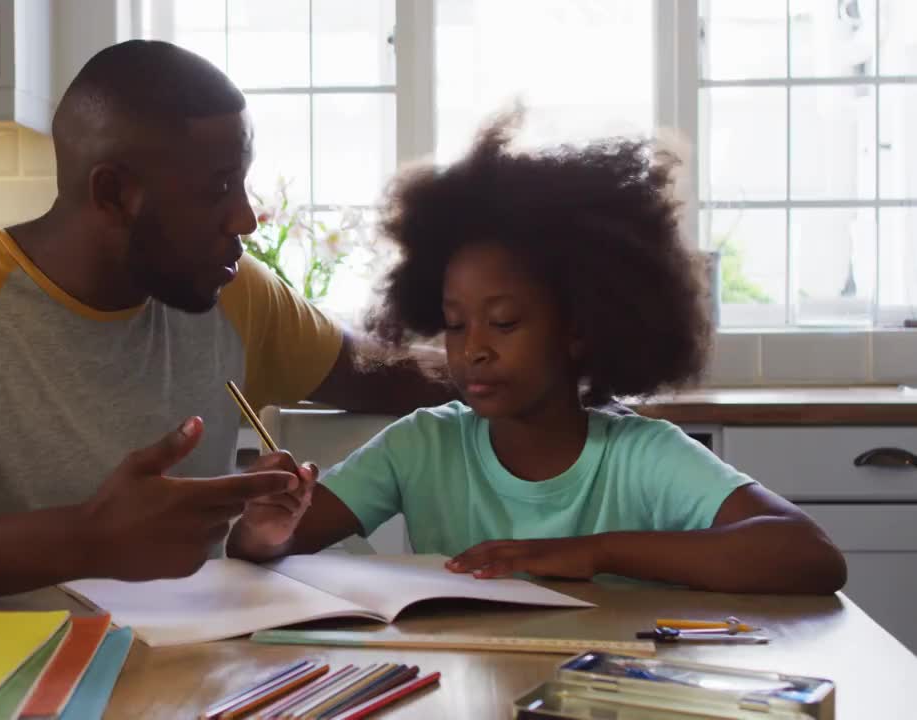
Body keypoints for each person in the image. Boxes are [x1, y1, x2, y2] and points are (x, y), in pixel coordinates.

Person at [0, 40, 453, 605]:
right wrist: (84, 539)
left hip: (182, 683)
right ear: (114, 194)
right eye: (217, 189)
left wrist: (538, 360)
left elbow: (375, 374)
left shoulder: (239, 295)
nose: (246, 216)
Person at [227, 110, 848, 595]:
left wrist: (596, 552)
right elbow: (269, 546)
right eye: (453, 323)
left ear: (580, 327)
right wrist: (264, 528)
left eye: (504, 323)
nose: (472, 350)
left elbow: (808, 555)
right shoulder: (420, 446)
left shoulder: (642, 457)